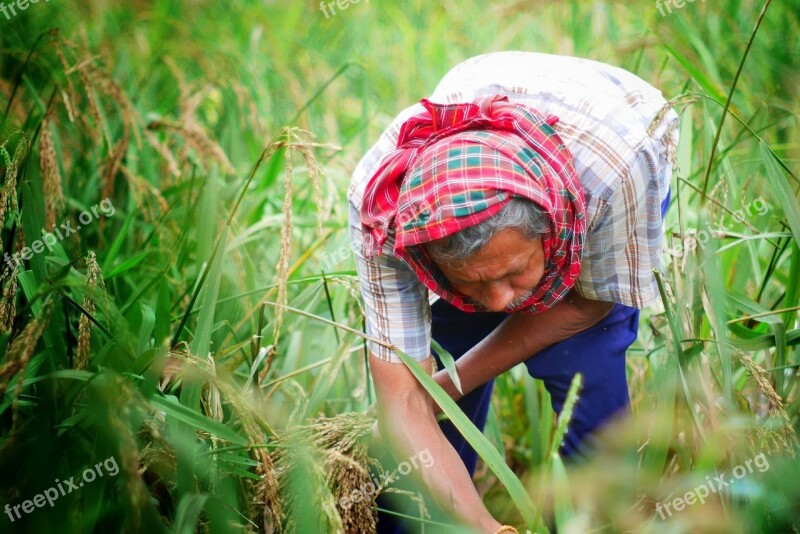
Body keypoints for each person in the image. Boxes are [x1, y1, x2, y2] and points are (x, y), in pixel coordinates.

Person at [347, 51, 679, 533]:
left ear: (552, 232)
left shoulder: (615, 175)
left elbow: (586, 304)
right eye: (472, 279)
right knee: (443, 355)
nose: (502, 302)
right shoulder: (384, 212)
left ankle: (590, 518)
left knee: (585, 361)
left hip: (618, 131)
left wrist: (441, 389)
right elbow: (401, 400)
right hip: (481, 110)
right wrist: (479, 524)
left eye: (515, 271)